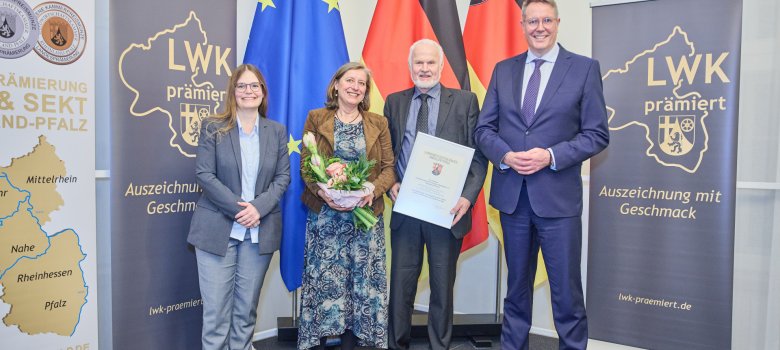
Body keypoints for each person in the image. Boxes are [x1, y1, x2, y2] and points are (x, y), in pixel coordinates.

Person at [473, 0, 609, 349]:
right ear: (522, 25)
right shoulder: (504, 70)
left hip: (558, 203)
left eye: (546, 20)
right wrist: (505, 155)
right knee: (516, 290)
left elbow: (597, 134)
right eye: (532, 21)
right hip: (513, 200)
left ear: (558, 23)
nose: (539, 27)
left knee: (566, 294)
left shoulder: (583, 69)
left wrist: (549, 156)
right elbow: (484, 129)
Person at [384, 39, 487, 350]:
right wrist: (390, 183)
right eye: (419, 63)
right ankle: (396, 345)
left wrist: (467, 198)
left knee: (443, 288)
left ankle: (438, 346)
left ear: (441, 67)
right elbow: (385, 154)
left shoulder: (466, 101)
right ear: (410, 67)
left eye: (431, 63)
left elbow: (478, 156)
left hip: (447, 210)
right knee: (401, 287)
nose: (424, 68)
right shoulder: (394, 102)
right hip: (407, 208)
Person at [187, 64, 291, 350]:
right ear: (233, 91)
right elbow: (204, 174)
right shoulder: (214, 127)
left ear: (263, 92)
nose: (249, 91)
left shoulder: (277, 131)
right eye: (242, 86)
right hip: (216, 232)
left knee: (245, 315)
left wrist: (258, 208)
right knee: (216, 316)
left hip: (259, 234)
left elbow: (283, 177)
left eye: (254, 86)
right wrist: (241, 210)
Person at [298, 62, 396, 350]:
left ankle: (366, 333)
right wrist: (323, 192)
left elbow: (389, 168)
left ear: (366, 91)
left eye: (361, 83)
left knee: (365, 275)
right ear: (337, 85)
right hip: (326, 216)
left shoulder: (379, 122)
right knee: (328, 272)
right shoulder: (316, 118)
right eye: (350, 80)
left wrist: (372, 191)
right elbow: (307, 165)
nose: (355, 87)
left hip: (365, 215)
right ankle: (328, 331)